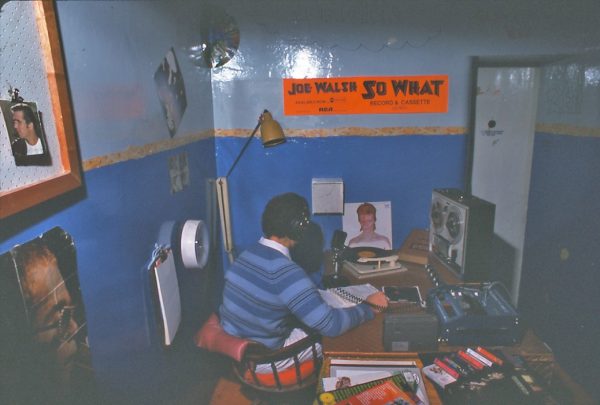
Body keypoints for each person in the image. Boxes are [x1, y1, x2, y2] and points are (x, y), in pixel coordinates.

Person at [219, 192, 388, 370]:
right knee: (339, 335)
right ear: (298, 227)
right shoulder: (286, 272)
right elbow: (331, 325)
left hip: (239, 351)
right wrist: (368, 308)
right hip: (266, 360)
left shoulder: (247, 254)